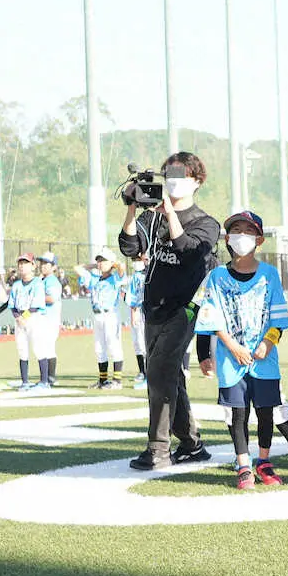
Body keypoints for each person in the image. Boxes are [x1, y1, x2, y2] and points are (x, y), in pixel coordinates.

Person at [118, 152, 220, 470]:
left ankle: (158, 448)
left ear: (197, 181)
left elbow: (188, 251)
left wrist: (168, 212)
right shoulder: (153, 217)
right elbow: (129, 247)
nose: (173, 181)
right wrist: (133, 206)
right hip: (154, 306)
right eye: (169, 175)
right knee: (169, 376)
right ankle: (190, 444)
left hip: (186, 308)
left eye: (181, 175)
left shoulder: (206, 222)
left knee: (160, 373)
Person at [195, 211, 288, 490]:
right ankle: (243, 464)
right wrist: (231, 347)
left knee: (265, 412)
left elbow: (279, 320)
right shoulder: (217, 276)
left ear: (259, 239)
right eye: (236, 231)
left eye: (248, 232)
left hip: (265, 360)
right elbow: (211, 318)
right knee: (238, 414)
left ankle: (263, 461)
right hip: (230, 360)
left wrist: (267, 343)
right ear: (227, 238)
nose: (241, 237)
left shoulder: (269, 275)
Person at [75, 249, 126, 389]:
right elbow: (77, 268)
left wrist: (113, 264)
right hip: (97, 315)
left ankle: (117, 380)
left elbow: (122, 268)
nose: (100, 263)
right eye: (99, 260)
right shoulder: (94, 278)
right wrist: (94, 265)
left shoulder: (115, 278)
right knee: (99, 348)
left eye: (103, 260)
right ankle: (103, 380)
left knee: (113, 345)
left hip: (110, 314)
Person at [8, 254, 44, 389]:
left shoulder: (37, 283)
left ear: (33, 266)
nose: (22, 266)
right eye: (20, 263)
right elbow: (12, 304)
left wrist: (24, 316)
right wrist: (18, 317)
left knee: (38, 348)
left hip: (33, 318)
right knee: (22, 349)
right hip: (19, 319)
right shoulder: (17, 284)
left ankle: (44, 381)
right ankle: (25, 381)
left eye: (25, 263)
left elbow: (36, 305)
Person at [36, 253, 62, 386]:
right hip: (42, 319)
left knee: (47, 349)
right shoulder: (42, 280)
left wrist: (34, 297)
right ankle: (45, 378)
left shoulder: (52, 281)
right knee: (41, 349)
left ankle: (49, 378)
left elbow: (51, 299)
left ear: (53, 267)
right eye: (42, 263)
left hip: (50, 320)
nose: (43, 266)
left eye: (46, 264)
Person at [126, 253, 148, 386]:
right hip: (139, 310)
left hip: (147, 311)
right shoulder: (136, 276)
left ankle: (148, 376)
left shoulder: (152, 273)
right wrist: (134, 310)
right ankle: (144, 372)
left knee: (145, 343)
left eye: (138, 259)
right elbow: (132, 295)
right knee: (138, 343)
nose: (136, 262)